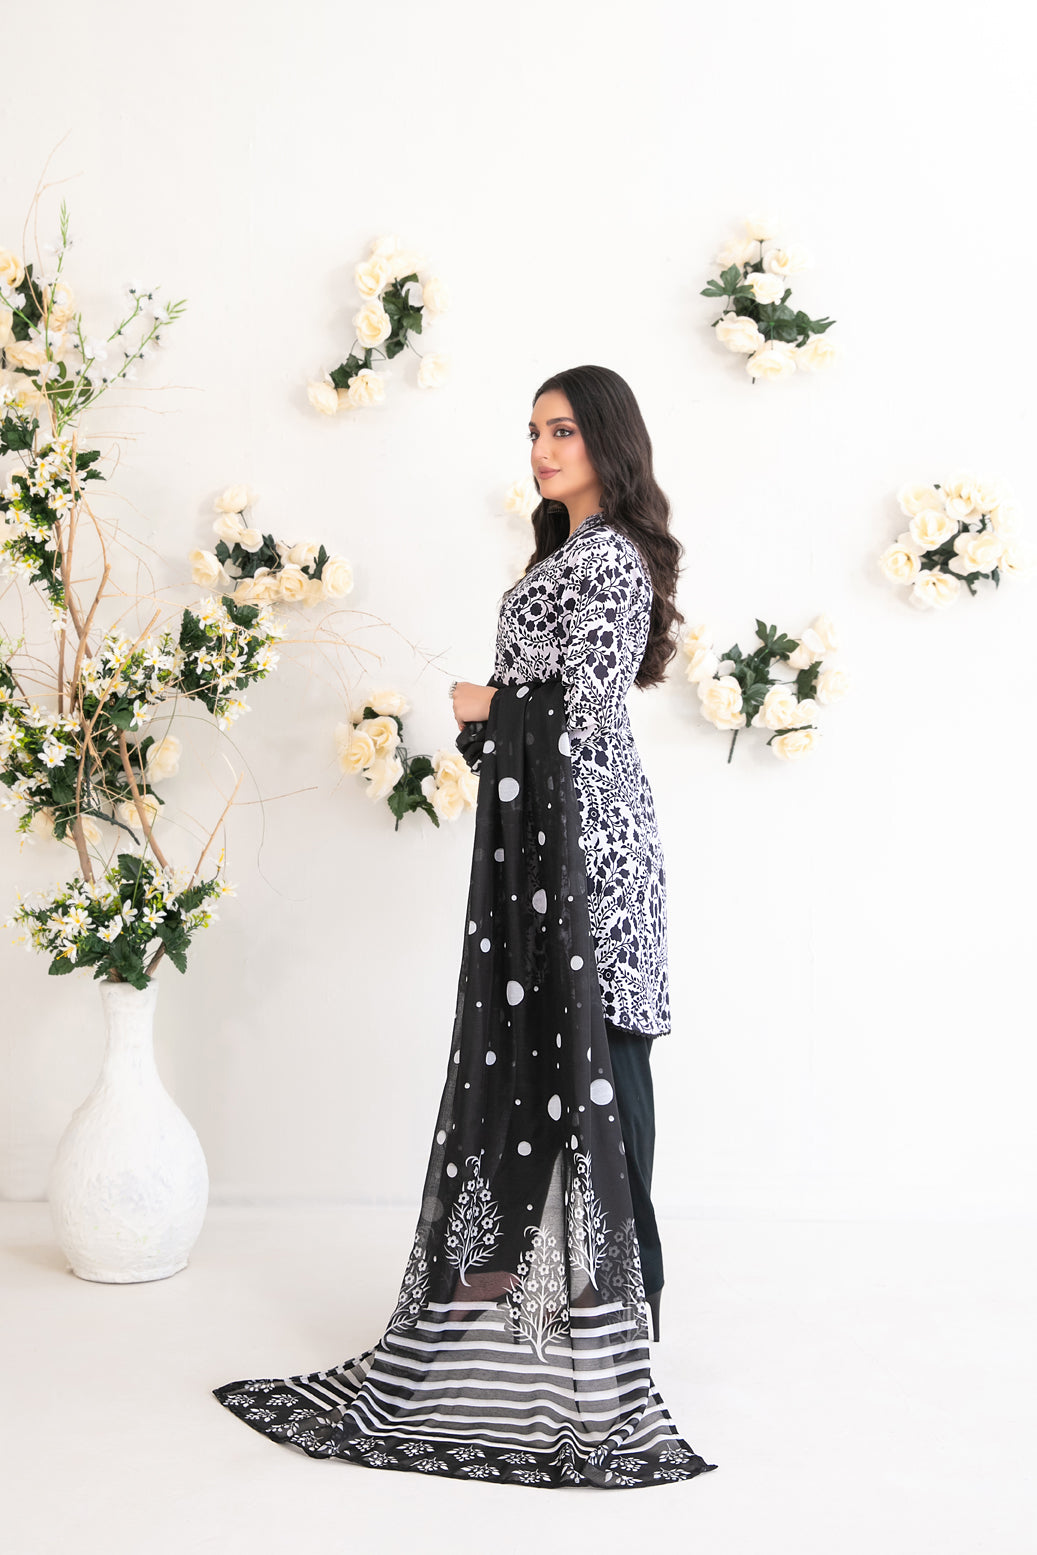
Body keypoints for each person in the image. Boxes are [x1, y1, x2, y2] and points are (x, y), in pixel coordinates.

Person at [212, 365, 717, 1490]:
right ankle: (523, 1301)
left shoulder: (612, 559)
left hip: (594, 854)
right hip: (545, 846)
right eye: (533, 430)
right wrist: (492, 722)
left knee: (609, 1070)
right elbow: (538, 716)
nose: (541, 449)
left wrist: (490, 708)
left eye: (563, 430)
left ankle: (631, 1310)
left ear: (608, 441)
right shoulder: (558, 556)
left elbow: (588, 712)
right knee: (548, 1073)